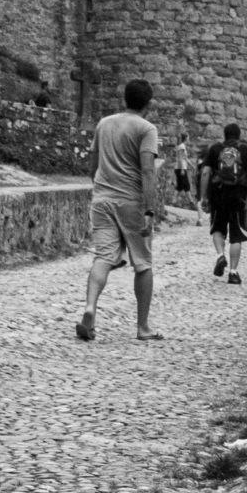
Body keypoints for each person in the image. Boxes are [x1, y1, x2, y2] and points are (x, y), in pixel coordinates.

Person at [76, 78, 161, 342]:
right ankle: (143, 327)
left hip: (102, 198)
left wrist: (100, 188)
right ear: (148, 104)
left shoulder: (104, 123)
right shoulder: (147, 128)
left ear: (124, 99)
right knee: (143, 263)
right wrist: (150, 209)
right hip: (131, 201)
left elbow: (93, 164)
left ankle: (90, 307)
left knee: (103, 256)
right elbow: (147, 169)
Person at [200, 120, 247, 285]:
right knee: (236, 236)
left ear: (224, 135)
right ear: (239, 136)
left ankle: (220, 256)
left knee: (218, 229)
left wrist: (204, 197)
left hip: (218, 196)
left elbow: (205, 173)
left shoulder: (216, 149)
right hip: (238, 198)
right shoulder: (246, 150)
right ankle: (233, 273)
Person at [174, 131, 200, 224]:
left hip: (180, 168)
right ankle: (191, 202)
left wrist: (192, 166)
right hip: (181, 168)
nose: (189, 139)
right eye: (188, 137)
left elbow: (185, 158)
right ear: (186, 138)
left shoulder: (181, 146)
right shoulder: (181, 146)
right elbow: (181, 158)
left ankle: (174, 199)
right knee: (186, 185)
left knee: (180, 185)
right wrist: (182, 169)